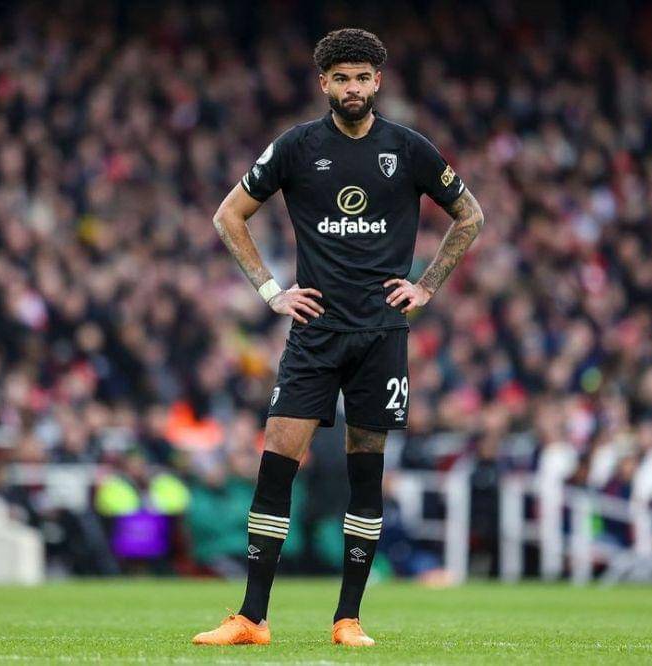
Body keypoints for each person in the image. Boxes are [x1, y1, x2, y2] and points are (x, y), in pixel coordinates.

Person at [192, 28, 483, 647]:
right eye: (342, 78)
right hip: (315, 332)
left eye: (362, 78)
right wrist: (271, 291)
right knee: (276, 464)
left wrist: (426, 286)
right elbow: (228, 215)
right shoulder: (297, 146)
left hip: (380, 333)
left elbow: (470, 215)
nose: (353, 88)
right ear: (324, 83)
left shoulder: (408, 148)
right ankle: (251, 618)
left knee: (365, 473)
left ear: (378, 82)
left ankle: (348, 619)